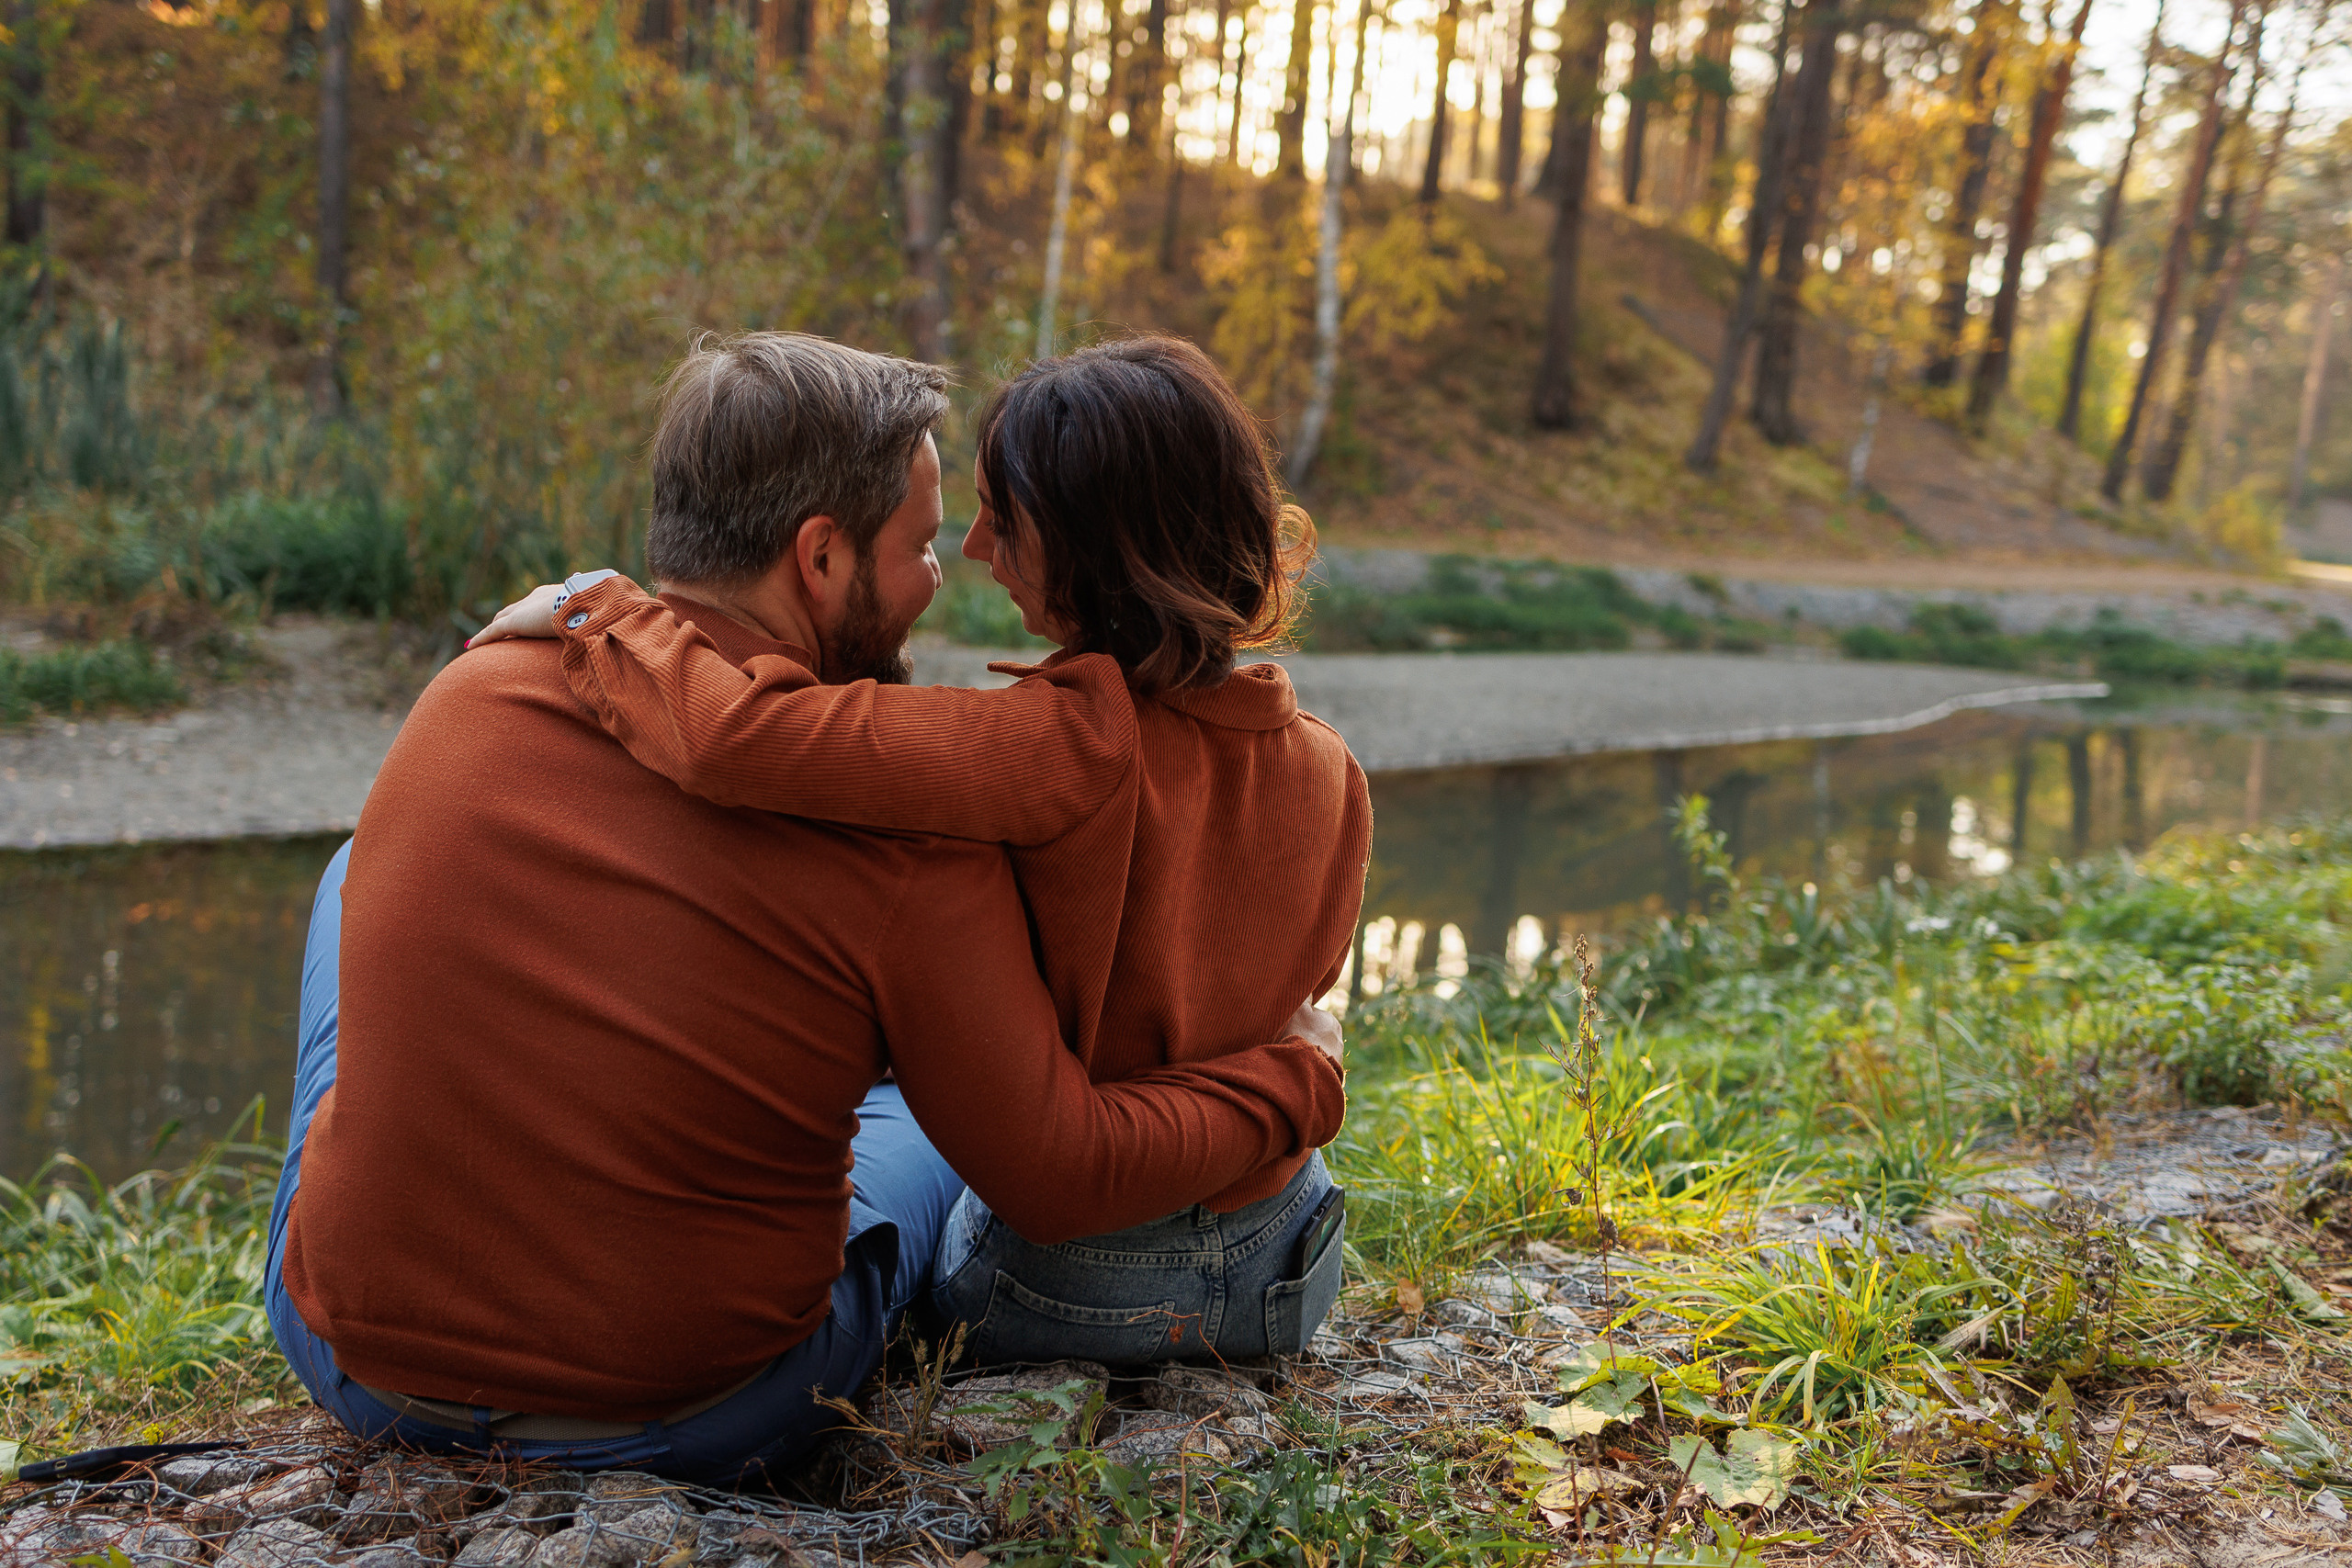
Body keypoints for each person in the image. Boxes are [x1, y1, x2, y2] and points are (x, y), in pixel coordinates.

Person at [266, 332, 1350, 1484]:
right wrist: (1302, 1071)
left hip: (352, 1361)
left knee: (354, 875)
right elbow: (1051, 1167)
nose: (956, 569)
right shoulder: (919, 832)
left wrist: (590, 606)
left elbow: (727, 733)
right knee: (930, 1120)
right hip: (699, 1405)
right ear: (821, 559)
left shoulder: (472, 684)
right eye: (924, 544)